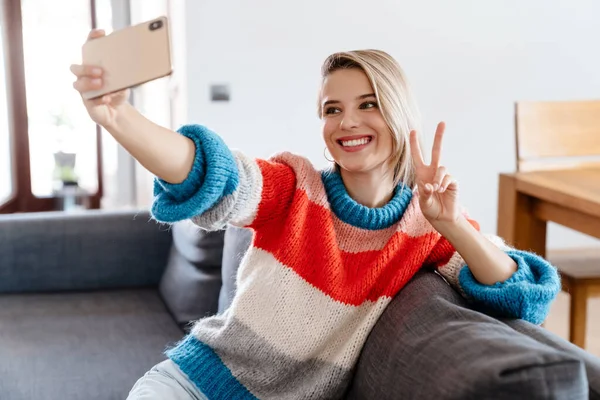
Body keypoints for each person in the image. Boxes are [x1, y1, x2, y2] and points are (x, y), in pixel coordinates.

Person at [71, 29, 561, 400]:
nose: (347, 122)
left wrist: (451, 224)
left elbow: (522, 296)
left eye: (367, 104)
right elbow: (209, 172)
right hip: (191, 385)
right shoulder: (294, 186)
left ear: (397, 113)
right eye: (332, 109)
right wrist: (119, 117)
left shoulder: (425, 224)